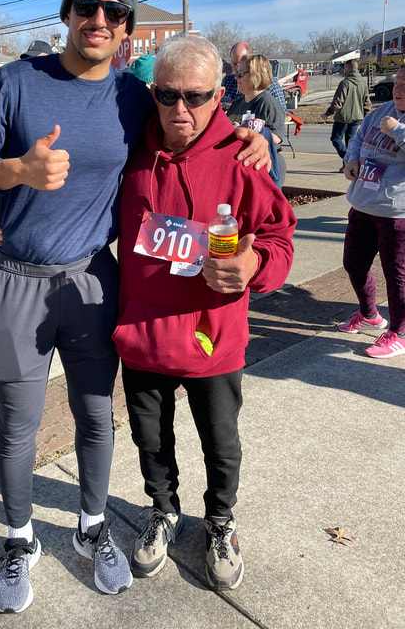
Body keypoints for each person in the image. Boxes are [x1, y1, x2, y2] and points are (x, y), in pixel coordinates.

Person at [0, 0, 270, 615]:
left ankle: (92, 529)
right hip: (20, 280)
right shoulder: (13, 82)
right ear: (67, 12)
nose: (98, 19)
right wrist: (13, 173)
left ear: (127, 26)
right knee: (17, 423)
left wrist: (249, 137)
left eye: (113, 11)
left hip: (94, 279)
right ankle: (19, 539)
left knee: (96, 417)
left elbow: (191, 123)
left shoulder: (134, 97)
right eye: (86, 6)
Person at [112, 35, 295, 591]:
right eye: (168, 95)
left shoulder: (243, 158)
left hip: (212, 339)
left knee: (221, 443)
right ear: (153, 93)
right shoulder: (129, 150)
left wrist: (253, 264)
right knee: (150, 441)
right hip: (142, 335)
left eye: (195, 96)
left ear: (220, 95)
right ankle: (163, 510)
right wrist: (6, 216)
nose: (181, 109)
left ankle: (220, 520)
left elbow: (279, 239)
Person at [337, 65, 405, 358]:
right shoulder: (381, 112)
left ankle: (399, 333)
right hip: (363, 203)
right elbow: (357, 139)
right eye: (397, 83)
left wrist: (397, 131)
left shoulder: (392, 121)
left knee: (397, 275)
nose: (398, 89)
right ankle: (369, 315)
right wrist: (351, 160)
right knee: (354, 263)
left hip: (396, 212)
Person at [226, 54, 286, 188]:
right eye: (236, 73)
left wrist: (243, 131)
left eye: (240, 73)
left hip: (264, 168)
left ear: (256, 75)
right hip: (242, 168)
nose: (236, 77)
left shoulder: (268, 104)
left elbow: (276, 137)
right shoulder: (236, 104)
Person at [320, 58, 371, 171]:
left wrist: (327, 113)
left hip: (343, 117)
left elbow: (338, 102)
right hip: (357, 117)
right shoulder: (363, 83)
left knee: (335, 138)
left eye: (344, 68)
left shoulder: (345, 83)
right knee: (350, 142)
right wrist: (366, 115)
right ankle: (347, 166)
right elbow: (367, 102)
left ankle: (348, 159)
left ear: (348, 68)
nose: (344, 70)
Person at [221, 41, 287, 114]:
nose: (237, 67)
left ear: (251, 60)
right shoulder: (228, 81)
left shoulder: (271, 86)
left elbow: (281, 114)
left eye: (240, 63)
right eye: (234, 64)